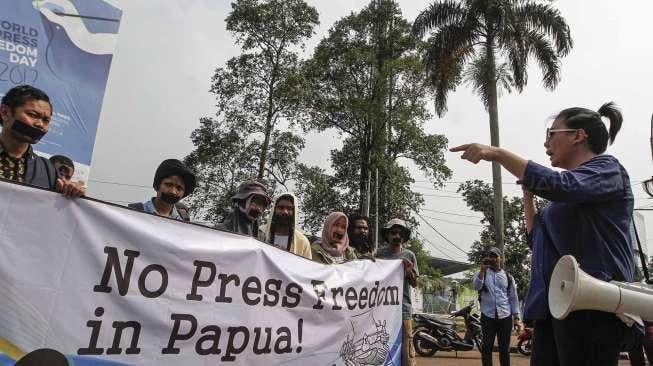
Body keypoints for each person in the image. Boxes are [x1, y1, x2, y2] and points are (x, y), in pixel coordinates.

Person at [452, 102, 636, 366]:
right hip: (555, 310)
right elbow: (535, 239)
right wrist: (528, 196)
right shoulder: (561, 202)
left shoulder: (608, 170)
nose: (546, 143)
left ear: (578, 135)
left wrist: (498, 154)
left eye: (551, 134)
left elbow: (559, 185)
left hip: (592, 306)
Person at [0, 85, 84, 198]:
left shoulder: (48, 171)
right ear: (5, 112)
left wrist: (73, 194)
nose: (40, 124)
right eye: (33, 115)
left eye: (46, 120)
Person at [377, 218, 418, 366]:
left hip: (404, 310)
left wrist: (409, 272)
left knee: (407, 350)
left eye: (400, 234)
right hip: (383, 310)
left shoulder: (409, 255)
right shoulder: (379, 255)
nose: (397, 236)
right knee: (383, 346)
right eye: (393, 233)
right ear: (387, 235)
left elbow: (415, 283)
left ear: (404, 237)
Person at [472, 246, 522, 366]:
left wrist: (517, 317)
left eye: (496, 256)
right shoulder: (481, 273)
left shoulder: (508, 277)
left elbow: (513, 298)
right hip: (487, 316)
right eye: (491, 256)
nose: (493, 259)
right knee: (487, 348)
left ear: (501, 258)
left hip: (505, 316)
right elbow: (476, 286)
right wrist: (482, 271)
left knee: (504, 349)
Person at [128, 159, 196, 221]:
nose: (173, 192)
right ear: (158, 185)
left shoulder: (184, 219)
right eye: (168, 185)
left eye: (179, 188)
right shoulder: (134, 212)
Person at [258, 193, 312, 259]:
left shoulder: (302, 241)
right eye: (281, 208)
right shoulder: (259, 233)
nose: (285, 212)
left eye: (289, 208)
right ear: (274, 210)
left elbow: (307, 267)